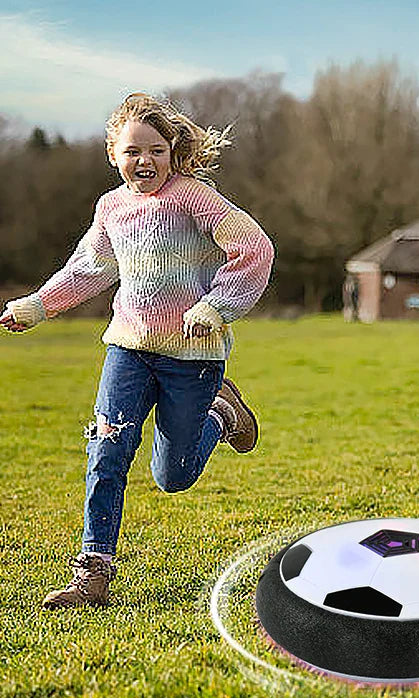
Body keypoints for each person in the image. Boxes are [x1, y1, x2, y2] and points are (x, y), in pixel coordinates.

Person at [0, 92, 274, 609]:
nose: (143, 161)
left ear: (173, 152)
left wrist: (217, 306)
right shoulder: (111, 207)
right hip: (128, 347)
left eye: (155, 151)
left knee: (172, 476)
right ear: (112, 154)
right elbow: (91, 270)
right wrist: (37, 306)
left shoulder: (195, 199)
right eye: (131, 152)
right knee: (105, 450)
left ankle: (220, 415)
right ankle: (93, 574)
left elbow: (255, 250)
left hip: (192, 357)